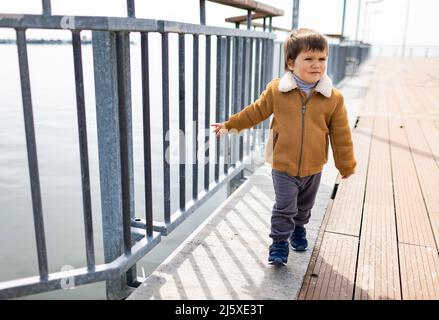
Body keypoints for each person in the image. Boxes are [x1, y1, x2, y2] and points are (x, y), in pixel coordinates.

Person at [211, 28, 356, 266]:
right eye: (308, 59)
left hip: (313, 166)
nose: (316, 65)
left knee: (304, 207)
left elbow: (341, 135)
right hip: (283, 164)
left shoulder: (333, 98)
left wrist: (346, 164)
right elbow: (255, 112)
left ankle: (299, 228)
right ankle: (279, 243)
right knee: (285, 206)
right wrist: (231, 125)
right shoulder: (278, 91)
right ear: (291, 62)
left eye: (322, 59)